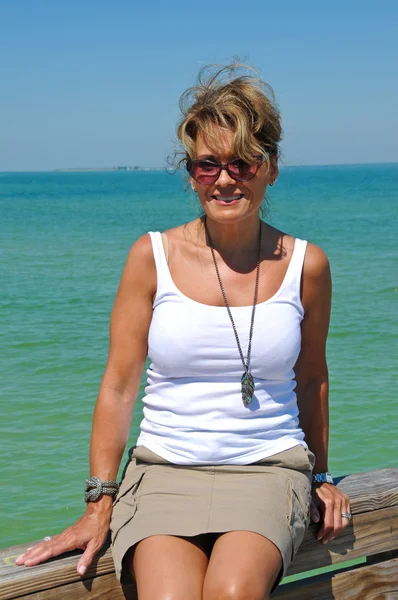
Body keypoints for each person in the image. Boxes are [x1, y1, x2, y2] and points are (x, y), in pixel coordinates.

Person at [16, 62, 351, 599]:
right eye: (207, 166)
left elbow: (312, 379)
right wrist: (98, 501)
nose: (224, 179)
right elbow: (120, 384)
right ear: (190, 172)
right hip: (163, 470)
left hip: (266, 468)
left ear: (271, 168)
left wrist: (321, 478)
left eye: (243, 163)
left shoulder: (307, 265)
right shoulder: (151, 257)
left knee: (233, 593)